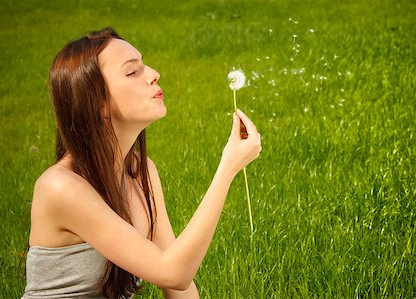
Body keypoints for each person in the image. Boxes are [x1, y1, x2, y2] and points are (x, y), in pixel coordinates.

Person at [21, 27, 261, 299]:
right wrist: (227, 168)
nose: (154, 74)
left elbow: (178, 284)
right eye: (132, 72)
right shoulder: (60, 187)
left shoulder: (140, 171)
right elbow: (174, 272)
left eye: (144, 65)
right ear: (98, 103)